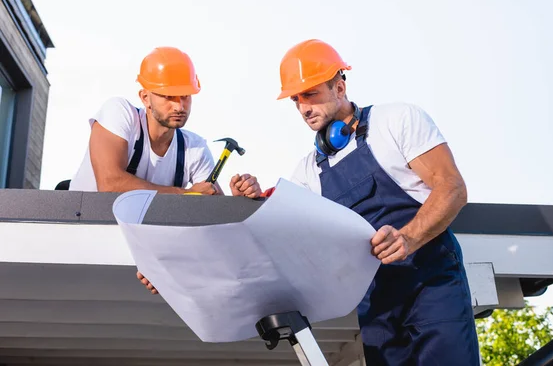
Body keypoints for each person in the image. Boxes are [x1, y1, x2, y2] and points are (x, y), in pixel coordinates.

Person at [276, 39, 480, 365]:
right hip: (376, 306)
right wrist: (254, 198)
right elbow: (291, 236)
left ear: (340, 87)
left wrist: (408, 238)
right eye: (296, 100)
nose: (303, 108)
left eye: (311, 94)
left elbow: (452, 188)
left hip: (431, 287)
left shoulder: (396, 120)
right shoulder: (307, 172)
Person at [69, 46, 261, 198]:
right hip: (80, 226)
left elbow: (211, 204)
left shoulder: (194, 148)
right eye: (169, 97)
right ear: (145, 98)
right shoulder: (118, 113)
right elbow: (110, 184)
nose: (179, 107)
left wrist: (238, 201)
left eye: (185, 96)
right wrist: (187, 194)